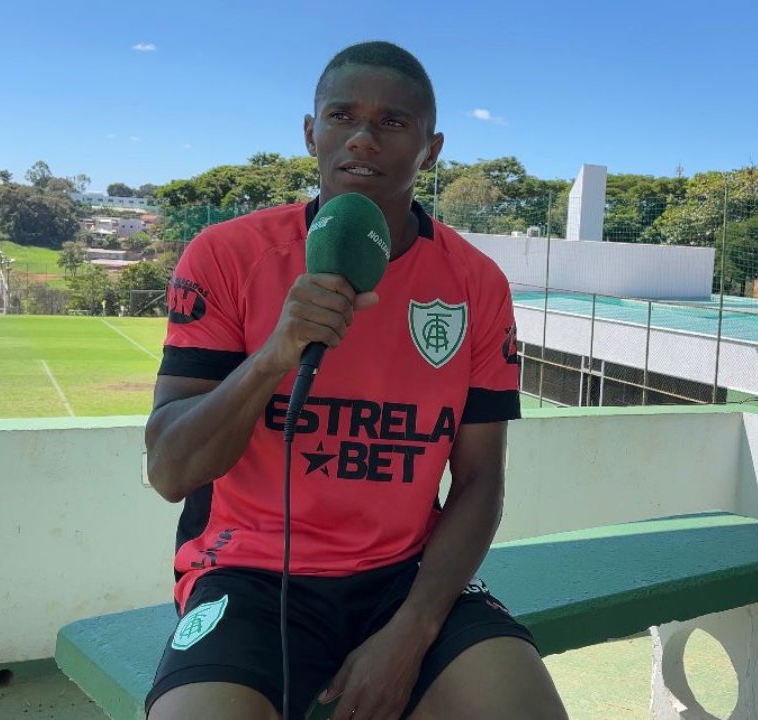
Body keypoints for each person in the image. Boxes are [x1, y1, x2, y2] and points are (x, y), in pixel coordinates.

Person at [143, 41, 568, 720]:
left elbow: (481, 477)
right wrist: (273, 357)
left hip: (409, 578)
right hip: (249, 577)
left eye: (393, 122)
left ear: (430, 148)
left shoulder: (476, 284)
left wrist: (413, 631)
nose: (363, 138)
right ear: (312, 132)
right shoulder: (226, 254)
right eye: (342, 116)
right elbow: (170, 471)